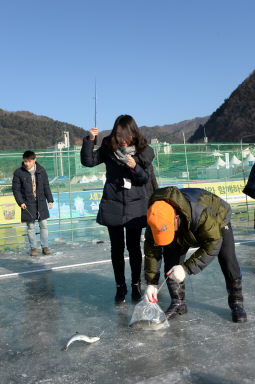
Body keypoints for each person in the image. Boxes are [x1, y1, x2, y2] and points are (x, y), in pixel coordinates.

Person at [144, 186, 247, 323]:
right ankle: (178, 303)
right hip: (184, 226)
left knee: (228, 260)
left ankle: (237, 303)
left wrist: (186, 268)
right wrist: (152, 283)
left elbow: (213, 243)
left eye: (167, 231)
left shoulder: (201, 213)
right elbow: (152, 251)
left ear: (176, 218)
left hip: (216, 221)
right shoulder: (155, 217)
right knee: (171, 263)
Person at [80, 115, 155, 303]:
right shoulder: (108, 148)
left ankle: (136, 285)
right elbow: (88, 161)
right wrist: (89, 140)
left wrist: (135, 166)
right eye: (119, 135)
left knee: (134, 248)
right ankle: (120, 287)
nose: (123, 140)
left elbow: (145, 179)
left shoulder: (142, 151)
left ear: (133, 134)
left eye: (126, 135)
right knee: (117, 249)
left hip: (135, 206)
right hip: (113, 204)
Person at [12, 150, 54, 256]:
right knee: (30, 226)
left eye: (29, 161)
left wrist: (49, 200)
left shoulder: (41, 170)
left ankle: (45, 247)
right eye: (25, 161)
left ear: (34, 160)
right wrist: (20, 202)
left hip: (41, 202)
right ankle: (33, 248)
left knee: (43, 225)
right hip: (27, 203)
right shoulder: (18, 173)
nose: (27, 163)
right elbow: (16, 190)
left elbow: (46, 186)